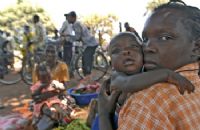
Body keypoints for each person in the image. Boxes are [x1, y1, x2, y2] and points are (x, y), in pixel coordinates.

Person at [99, 0, 200, 129]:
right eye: (145, 40)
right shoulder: (192, 83)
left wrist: (104, 114)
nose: (147, 47)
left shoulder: (146, 105)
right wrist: (166, 74)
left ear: (197, 47)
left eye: (164, 38)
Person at [31, 62, 75, 129]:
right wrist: (41, 87)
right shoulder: (37, 85)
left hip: (54, 102)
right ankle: (54, 116)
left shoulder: (53, 83)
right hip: (42, 104)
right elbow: (34, 97)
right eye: (43, 78)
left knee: (59, 107)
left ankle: (61, 118)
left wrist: (58, 87)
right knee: (45, 108)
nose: (46, 80)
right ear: (39, 77)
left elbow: (63, 88)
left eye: (48, 77)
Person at [67, 11, 99, 76]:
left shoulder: (76, 24)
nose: (67, 18)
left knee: (86, 59)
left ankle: (88, 76)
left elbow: (77, 37)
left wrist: (68, 37)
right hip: (89, 43)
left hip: (90, 44)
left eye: (69, 17)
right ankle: (86, 75)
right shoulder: (76, 24)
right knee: (84, 59)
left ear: (73, 17)